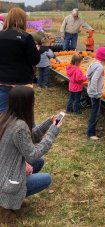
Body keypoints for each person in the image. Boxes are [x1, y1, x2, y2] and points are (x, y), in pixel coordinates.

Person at [0, 86, 61, 224]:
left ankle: (11, 199)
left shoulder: (5, 118)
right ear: (26, 103)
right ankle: (5, 204)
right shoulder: (19, 126)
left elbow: (27, 139)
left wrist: (47, 123)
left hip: (3, 174)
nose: (35, 103)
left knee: (40, 162)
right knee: (46, 178)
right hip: (6, 184)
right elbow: (32, 155)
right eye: (33, 100)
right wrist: (53, 131)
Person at [0, 7, 40, 113]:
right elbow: (34, 60)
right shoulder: (26, 37)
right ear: (23, 20)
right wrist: (36, 50)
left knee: (2, 113)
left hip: (2, 80)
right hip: (21, 82)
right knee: (25, 113)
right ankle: (28, 130)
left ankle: (4, 129)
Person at [87, 47, 105, 140]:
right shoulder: (99, 67)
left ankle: (93, 127)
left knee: (96, 111)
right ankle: (91, 132)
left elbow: (87, 76)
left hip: (92, 92)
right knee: (95, 113)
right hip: (95, 94)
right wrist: (95, 92)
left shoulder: (93, 64)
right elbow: (94, 79)